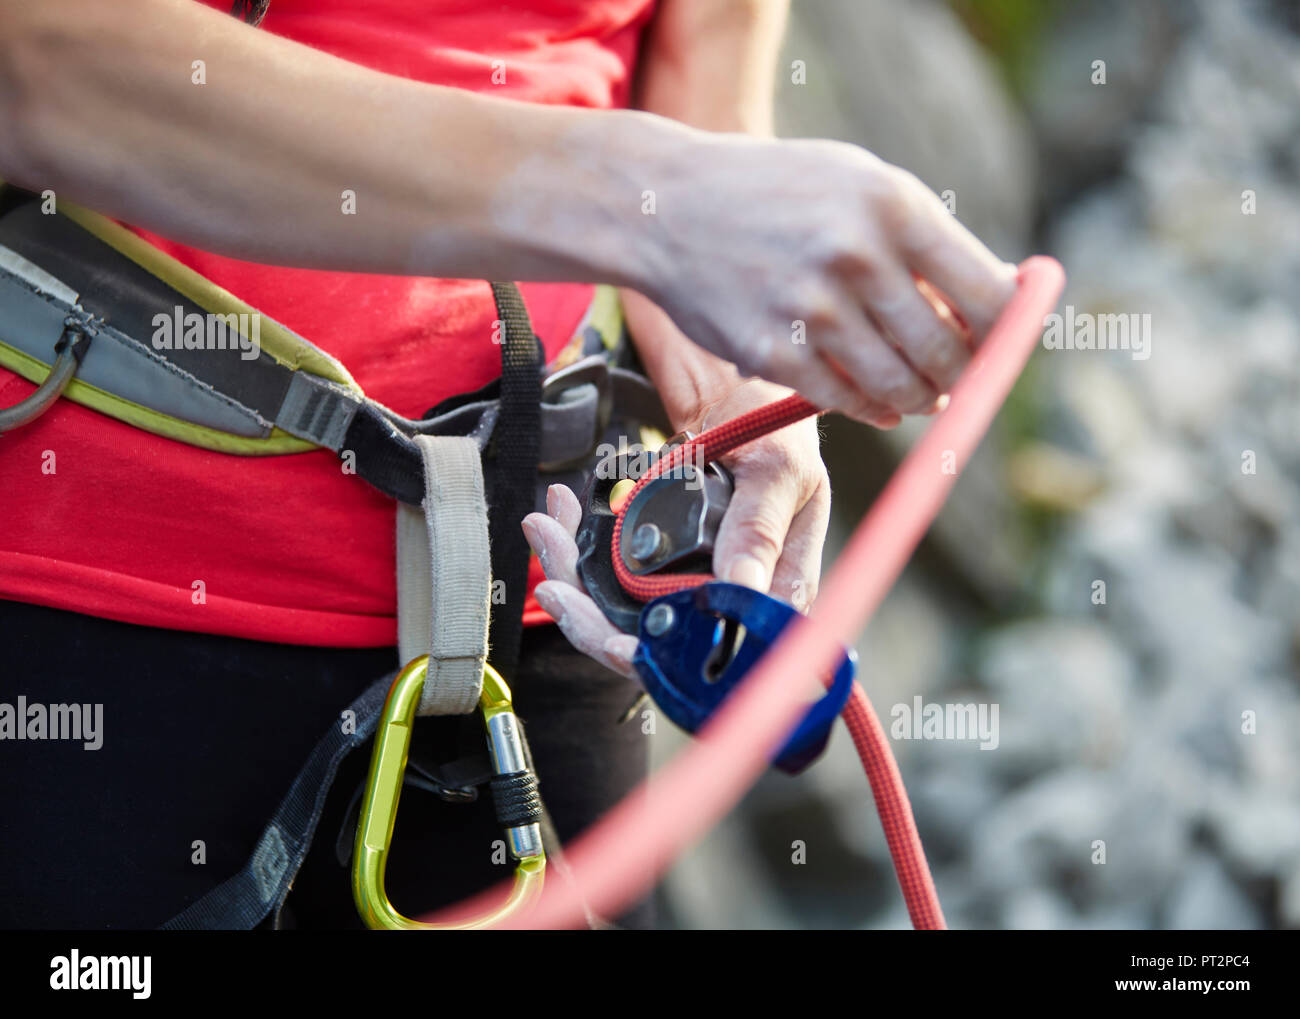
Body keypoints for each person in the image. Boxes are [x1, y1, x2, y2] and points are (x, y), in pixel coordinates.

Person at [0, 0, 1016, 929]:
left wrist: (730, 388)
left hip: (540, 604)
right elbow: (35, 63)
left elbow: (692, 60)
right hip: (115, 618)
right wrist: (643, 200)